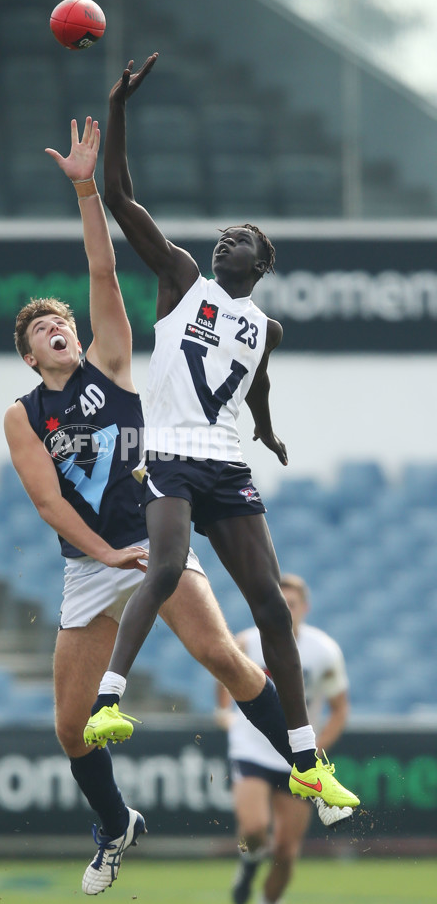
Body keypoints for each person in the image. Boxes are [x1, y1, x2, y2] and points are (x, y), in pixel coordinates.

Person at [4, 117, 333, 897]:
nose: (58, 326)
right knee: (69, 727)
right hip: (92, 564)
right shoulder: (23, 415)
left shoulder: (111, 365)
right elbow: (49, 504)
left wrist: (87, 188)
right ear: (27, 354)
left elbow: (104, 268)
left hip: (156, 535)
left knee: (225, 656)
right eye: (40, 327)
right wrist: (105, 553)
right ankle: (116, 825)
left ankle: (306, 765)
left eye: (61, 321)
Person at [85, 52, 359, 820]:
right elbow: (118, 195)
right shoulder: (179, 278)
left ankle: (305, 759)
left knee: (272, 607)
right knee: (167, 565)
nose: (222, 241)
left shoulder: (265, 326)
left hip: (227, 463)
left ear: (260, 260)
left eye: (237, 238)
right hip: (170, 452)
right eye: (222, 235)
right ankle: (111, 699)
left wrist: (268, 434)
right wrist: (119, 109)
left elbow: (258, 384)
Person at [216, 574, 351, 904]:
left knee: (287, 853)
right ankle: (248, 863)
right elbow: (224, 681)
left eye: (292, 604)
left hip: (297, 757)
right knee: (254, 829)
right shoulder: (247, 642)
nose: (286, 611)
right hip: (252, 748)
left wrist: (317, 748)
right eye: (281, 603)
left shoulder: (324, 651)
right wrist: (224, 713)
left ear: (305, 607)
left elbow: (340, 708)